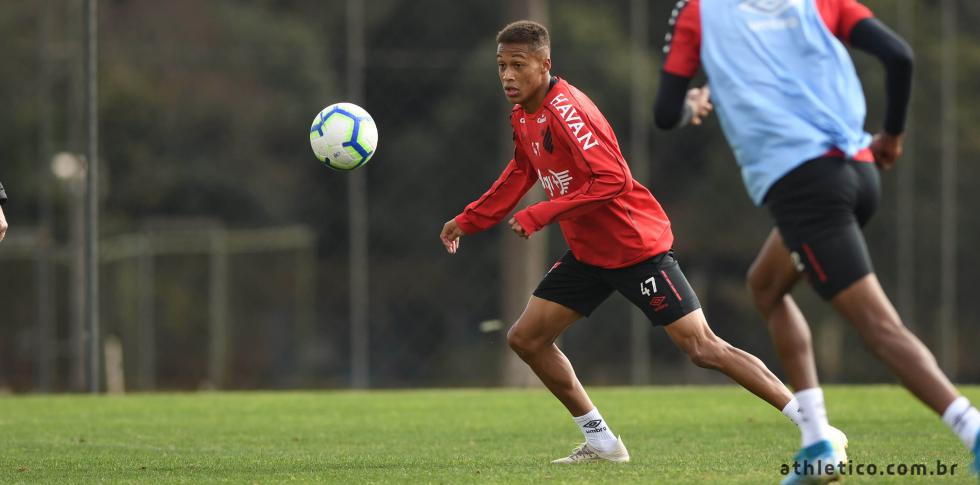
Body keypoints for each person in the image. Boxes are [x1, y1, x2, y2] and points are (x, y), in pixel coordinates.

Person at [440, 19, 844, 465]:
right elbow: (522, 170)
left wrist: (541, 214)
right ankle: (602, 442)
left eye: (518, 65)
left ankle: (816, 427)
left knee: (703, 348)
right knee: (527, 339)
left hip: (635, 248)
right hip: (589, 253)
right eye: (502, 66)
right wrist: (470, 219)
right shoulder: (522, 114)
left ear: (545, 65)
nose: (508, 76)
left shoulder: (568, 112)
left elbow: (612, 179)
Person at [654, 0, 979, 482]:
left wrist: (692, 105)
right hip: (859, 168)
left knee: (880, 330)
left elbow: (664, 113)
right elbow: (900, 57)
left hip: (805, 188)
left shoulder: (698, 13)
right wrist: (891, 136)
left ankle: (971, 428)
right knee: (765, 285)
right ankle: (817, 442)